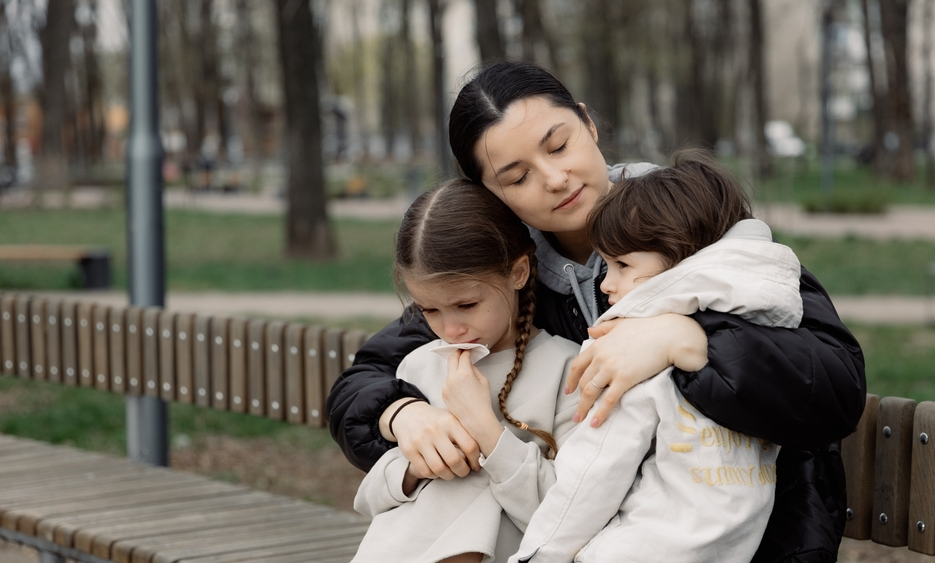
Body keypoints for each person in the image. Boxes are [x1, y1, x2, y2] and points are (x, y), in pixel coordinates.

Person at [327, 61, 865, 563]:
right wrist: (402, 416)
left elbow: (834, 384)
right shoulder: (506, 274)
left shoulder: (692, 222)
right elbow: (365, 379)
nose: (555, 179)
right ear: (489, 196)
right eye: (517, 178)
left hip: (742, 542)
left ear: (588, 124)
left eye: (559, 145)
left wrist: (684, 342)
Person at [511, 150, 800, 563]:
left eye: (622, 265)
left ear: (679, 259)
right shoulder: (759, 320)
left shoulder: (627, 346)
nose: (607, 284)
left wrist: (539, 554)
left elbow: (593, 473)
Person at [351, 179, 582, 563]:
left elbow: (565, 515)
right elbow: (372, 500)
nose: (451, 329)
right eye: (429, 310)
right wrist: (414, 466)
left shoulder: (567, 369)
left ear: (518, 273)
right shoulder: (420, 363)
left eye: (467, 304)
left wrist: (487, 432)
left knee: (475, 487)